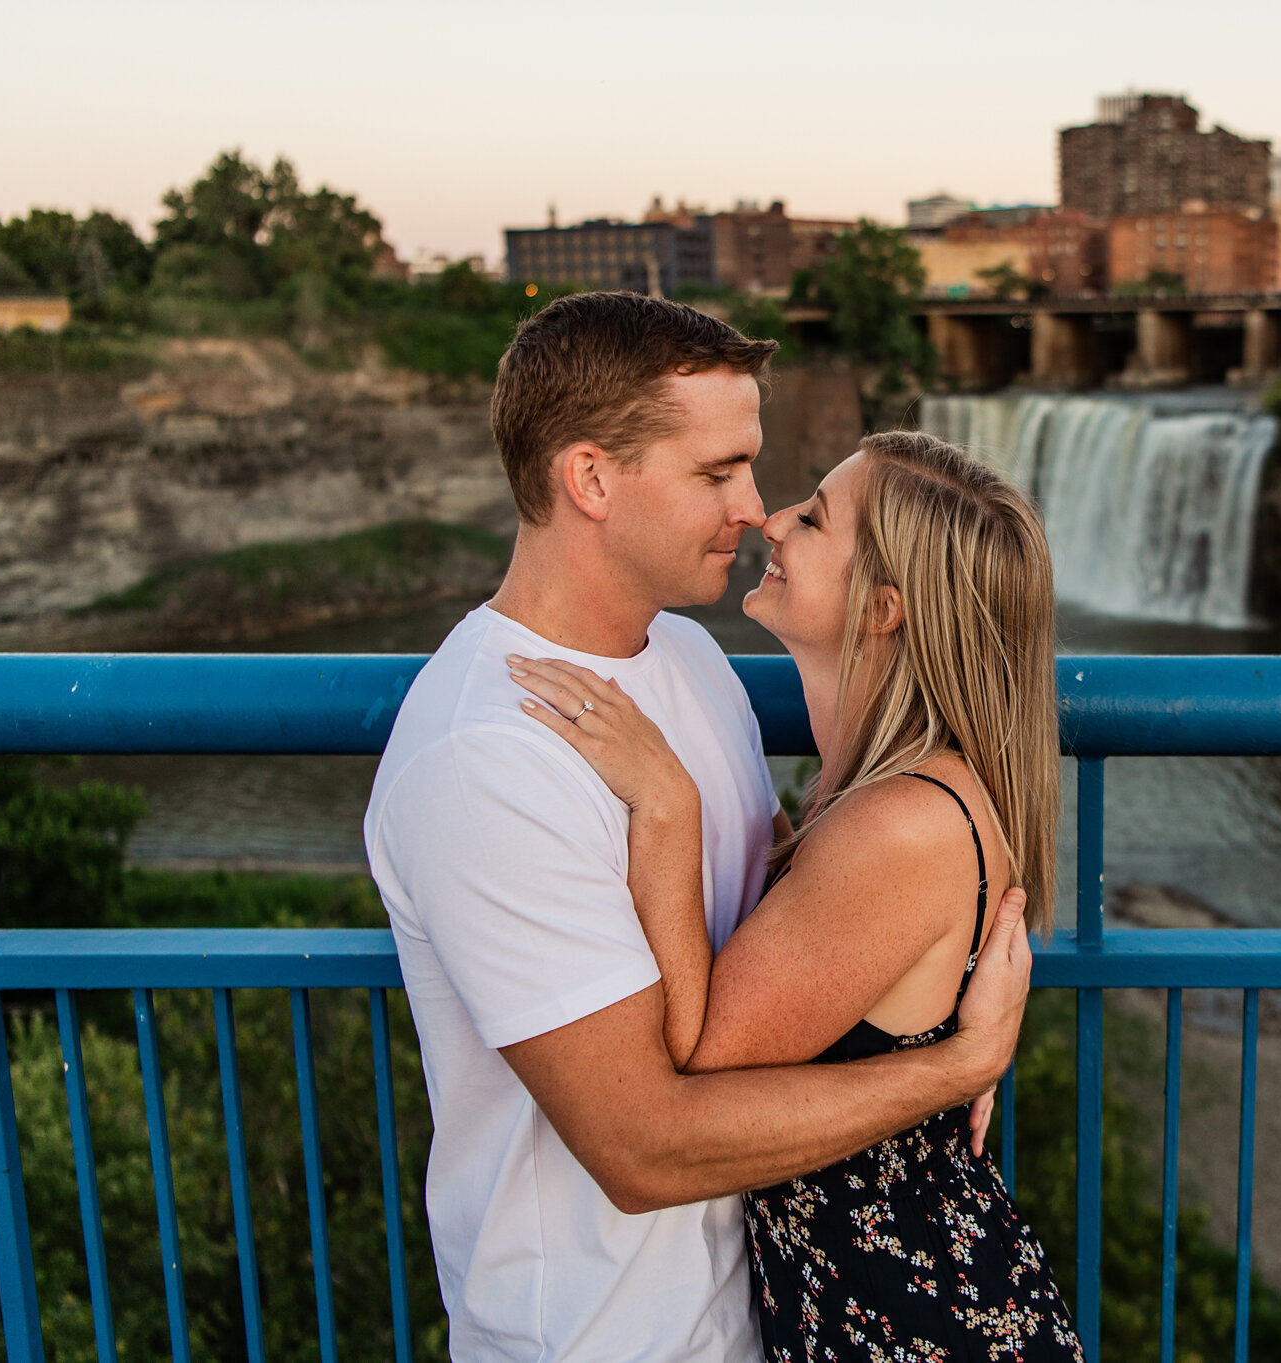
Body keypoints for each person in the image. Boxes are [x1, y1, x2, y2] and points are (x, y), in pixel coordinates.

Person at [363, 295, 1031, 1363]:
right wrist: (951, 1066)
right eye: (716, 473)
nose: (755, 509)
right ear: (590, 479)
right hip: (600, 1335)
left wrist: (930, 977)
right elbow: (640, 1151)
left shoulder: (691, 660)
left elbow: (787, 918)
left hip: (760, 1313)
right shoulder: (486, 755)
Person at [506, 430, 1082, 1361]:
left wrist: (666, 804)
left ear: (883, 608)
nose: (771, 520)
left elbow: (695, 1060)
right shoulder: (871, 795)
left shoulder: (898, 824)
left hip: (909, 1326)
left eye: (812, 518)